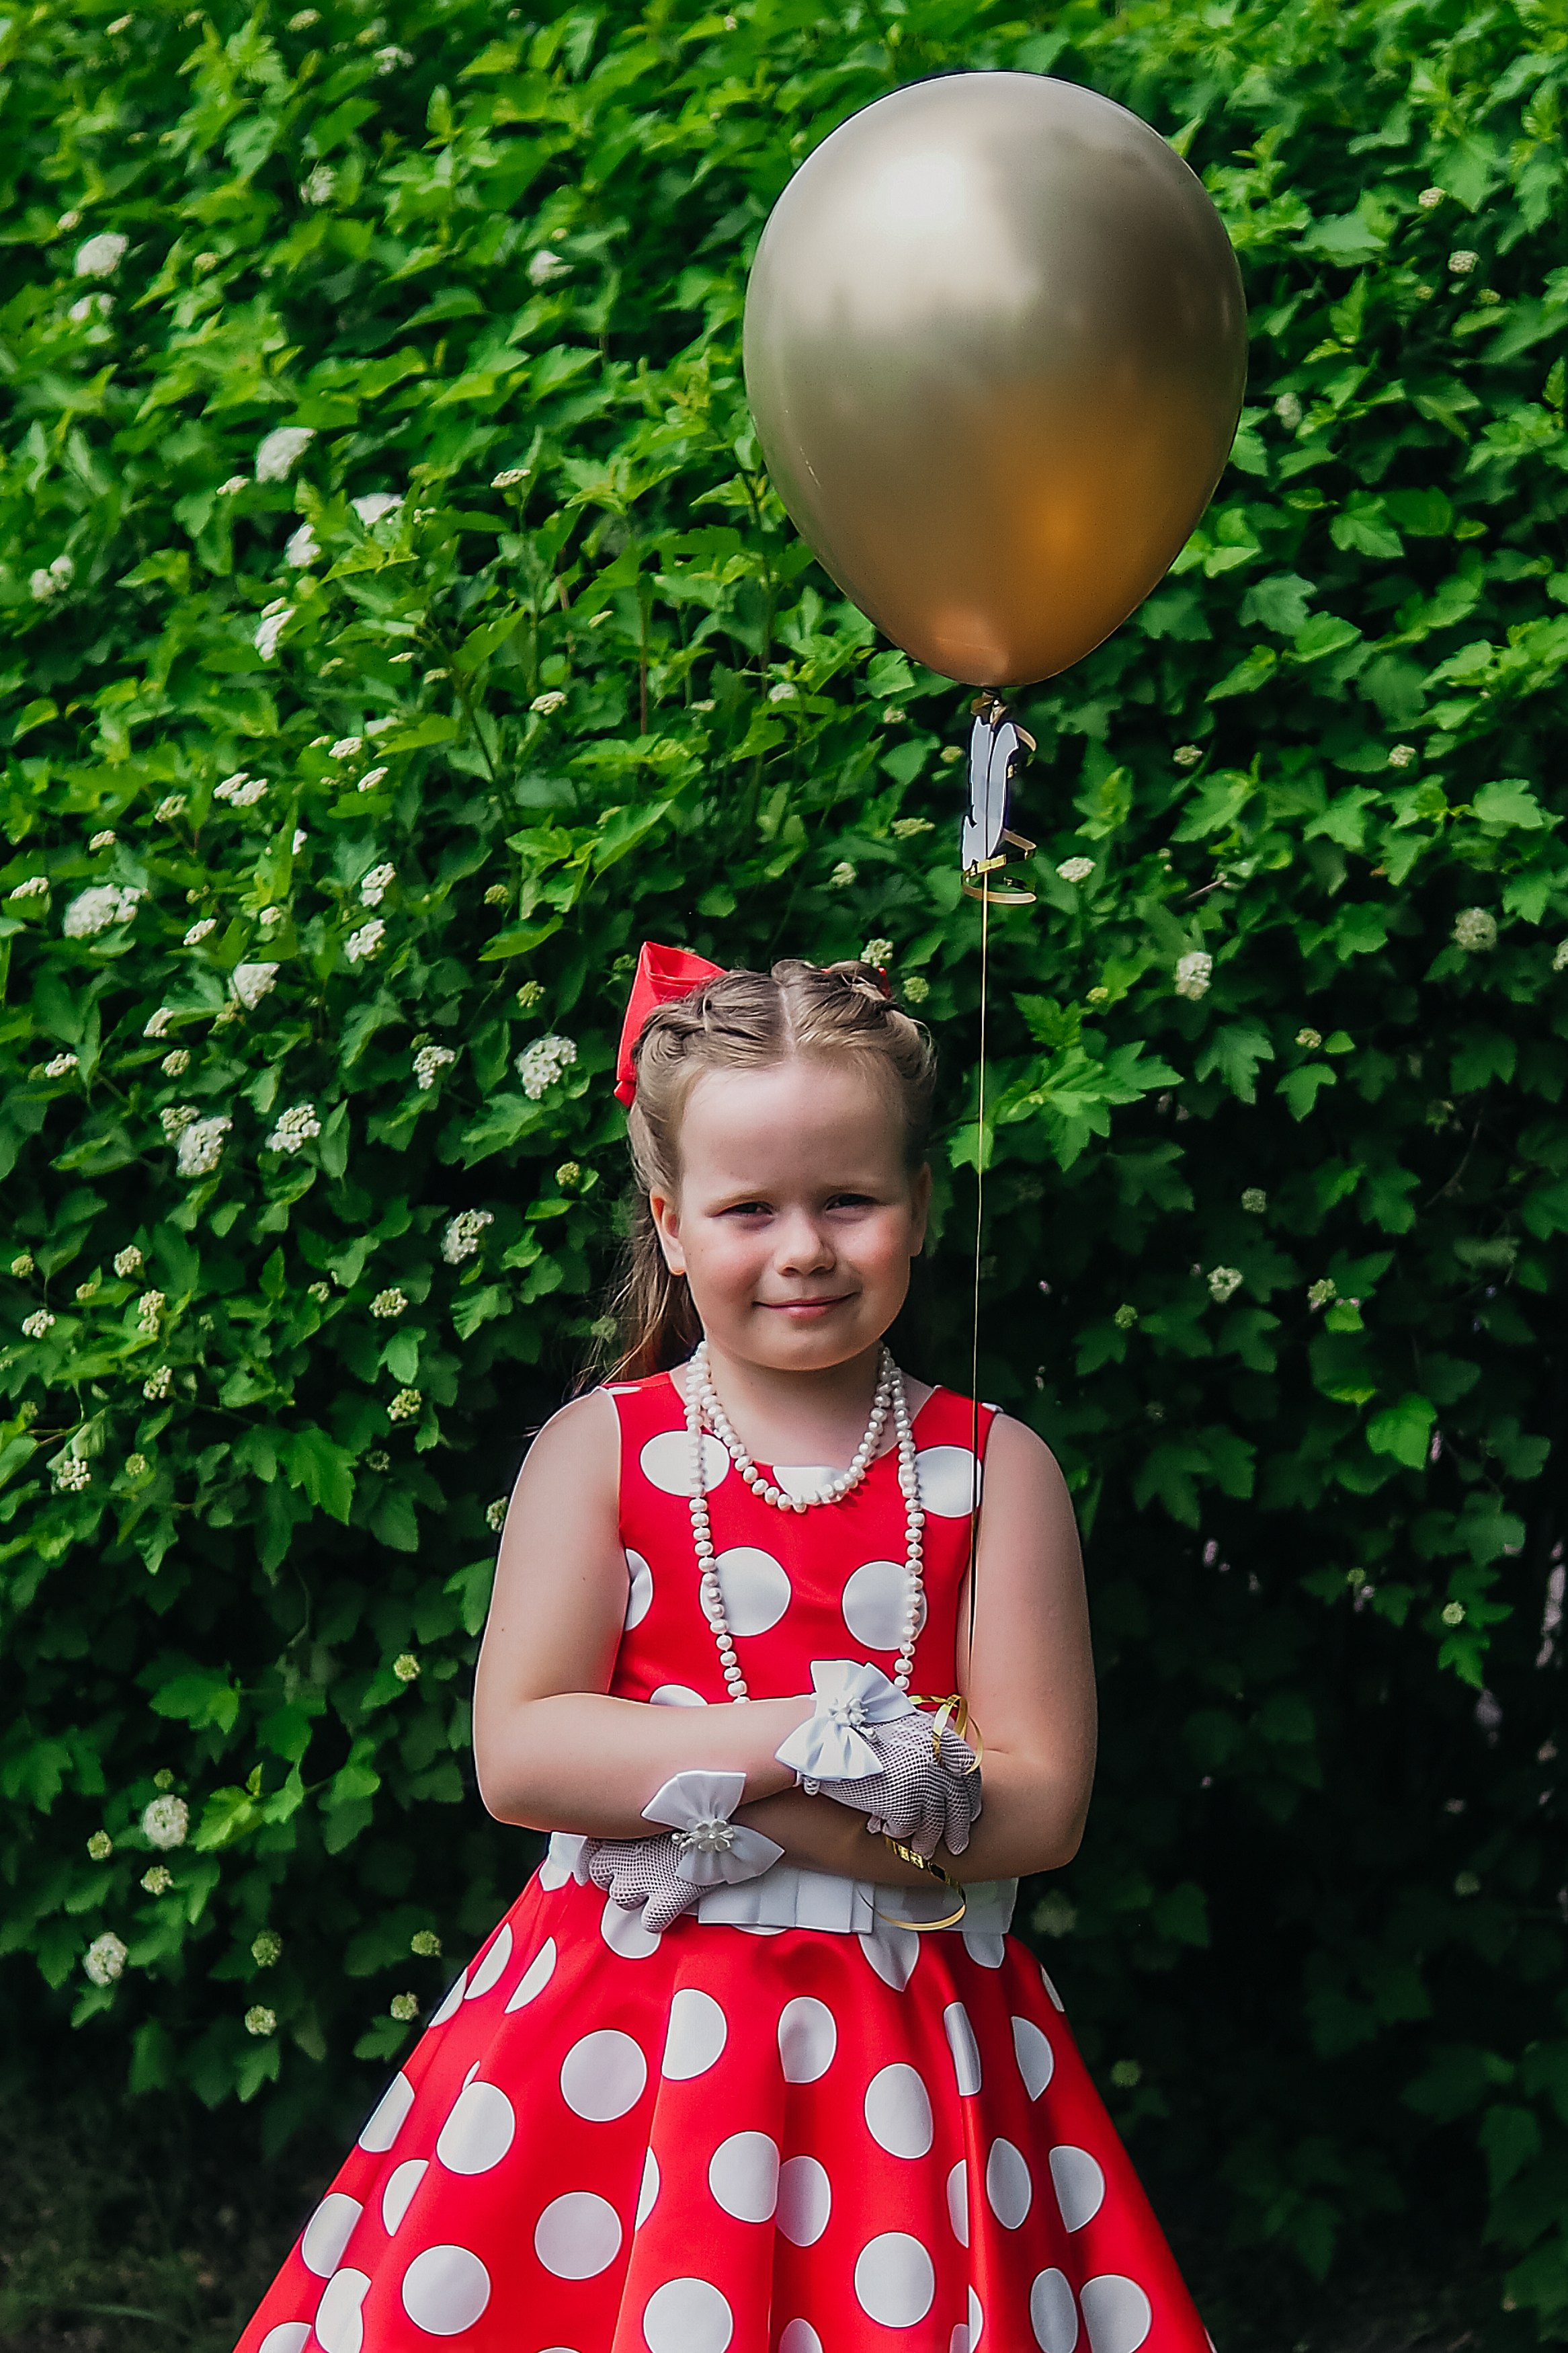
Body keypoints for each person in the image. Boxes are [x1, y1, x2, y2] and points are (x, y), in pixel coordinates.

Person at [235, 953, 1212, 2353]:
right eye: (750, 1207)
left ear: (920, 1207)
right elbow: (525, 1756)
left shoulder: (994, 1471)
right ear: (671, 1224)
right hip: (611, 2041)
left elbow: (1038, 1803)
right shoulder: (607, 1452)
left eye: (850, 1200)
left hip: (899, 2046)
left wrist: (704, 1803)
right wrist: (824, 1747)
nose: (803, 1244)